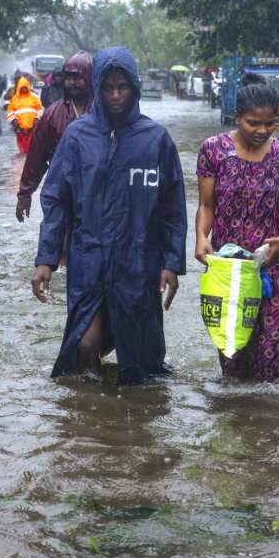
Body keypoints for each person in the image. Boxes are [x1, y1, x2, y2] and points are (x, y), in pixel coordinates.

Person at [31, 46, 187, 385]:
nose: (116, 96)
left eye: (123, 87)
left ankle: (127, 413)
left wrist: (172, 262)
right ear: (97, 88)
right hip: (88, 260)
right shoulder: (77, 136)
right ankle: (91, 413)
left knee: (141, 365)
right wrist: (46, 259)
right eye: (108, 88)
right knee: (85, 345)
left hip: (137, 263)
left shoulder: (156, 140)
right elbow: (55, 199)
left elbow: (172, 208)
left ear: (134, 88)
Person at [195, 83, 279, 381]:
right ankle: (236, 408)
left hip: (274, 264)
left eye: (270, 123)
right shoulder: (213, 150)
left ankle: (272, 410)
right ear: (237, 117)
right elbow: (206, 205)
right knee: (233, 352)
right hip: (228, 267)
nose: (262, 130)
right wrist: (201, 238)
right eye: (253, 123)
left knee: (273, 354)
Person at [16, 51, 93, 222]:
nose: (72, 82)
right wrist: (24, 195)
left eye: (77, 77)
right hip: (61, 193)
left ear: (90, 78)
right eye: (68, 77)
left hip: (95, 195)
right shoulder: (52, 114)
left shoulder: (104, 112)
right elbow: (36, 157)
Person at [6, 75, 43, 154]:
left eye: (25, 87)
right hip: (20, 129)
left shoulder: (34, 97)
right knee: (22, 150)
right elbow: (10, 112)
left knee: (32, 149)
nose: (23, 89)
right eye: (21, 87)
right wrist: (14, 120)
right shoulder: (14, 98)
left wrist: (37, 118)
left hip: (33, 128)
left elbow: (40, 109)